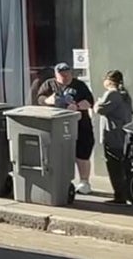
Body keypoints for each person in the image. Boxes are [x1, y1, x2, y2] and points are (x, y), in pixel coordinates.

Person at [36, 63, 96, 195]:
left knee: (82, 154)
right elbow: (39, 98)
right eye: (61, 74)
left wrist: (77, 106)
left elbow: (90, 101)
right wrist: (48, 101)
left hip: (80, 124)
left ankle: (84, 182)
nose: (64, 76)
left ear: (71, 73)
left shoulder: (79, 85)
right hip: (56, 126)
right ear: (56, 74)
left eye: (66, 73)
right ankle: (59, 180)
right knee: (58, 154)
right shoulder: (49, 84)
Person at [95, 69, 133, 204]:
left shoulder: (112, 94)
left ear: (109, 81)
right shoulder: (125, 95)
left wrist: (97, 103)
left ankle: (119, 196)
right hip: (123, 134)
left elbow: (100, 109)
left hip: (112, 134)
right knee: (123, 165)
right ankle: (128, 193)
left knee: (114, 166)